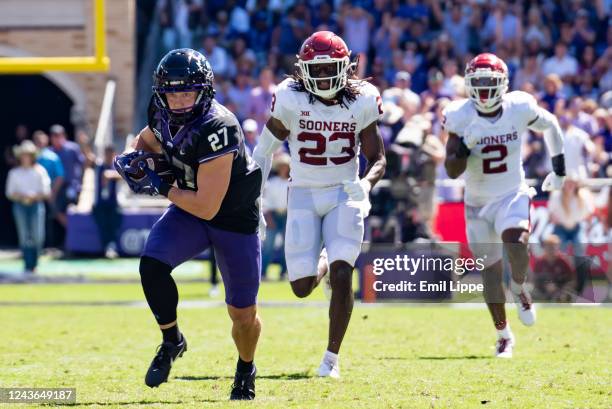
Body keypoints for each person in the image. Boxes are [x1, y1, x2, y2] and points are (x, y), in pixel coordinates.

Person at [114, 49, 262, 400]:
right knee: (152, 266)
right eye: (172, 92)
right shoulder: (160, 112)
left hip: (231, 216)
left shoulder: (218, 127)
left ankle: (245, 367)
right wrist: (138, 159)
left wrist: (160, 184)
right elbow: (148, 139)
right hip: (189, 207)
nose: (178, 100)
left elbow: (208, 206)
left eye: (187, 91)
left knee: (242, 314)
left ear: (205, 91)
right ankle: (171, 340)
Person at [253, 31, 386, 378]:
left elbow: (378, 158)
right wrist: (255, 199)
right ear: (303, 71)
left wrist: (365, 184)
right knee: (300, 287)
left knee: (345, 274)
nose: (325, 77)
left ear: (345, 68)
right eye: (319, 70)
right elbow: (263, 151)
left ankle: (331, 359)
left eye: (331, 69)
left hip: (344, 192)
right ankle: (324, 262)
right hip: (303, 194)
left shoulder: (363, 99)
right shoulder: (290, 98)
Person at [443, 53, 566, 358]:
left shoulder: (519, 106)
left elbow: (551, 126)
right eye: (479, 83)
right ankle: (503, 335)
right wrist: (464, 147)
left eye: (490, 83)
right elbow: (452, 171)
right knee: (489, 273)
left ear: (504, 84)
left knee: (517, 242)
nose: (484, 90)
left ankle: (521, 286)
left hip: (511, 192)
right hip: (476, 202)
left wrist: (559, 169)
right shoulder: (459, 115)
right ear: (468, 84)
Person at [6, 140, 51, 274]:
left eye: (28, 155)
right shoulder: (15, 173)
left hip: (36, 205)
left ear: (32, 156)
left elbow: (46, 191)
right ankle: (27, 264)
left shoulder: (40, 171)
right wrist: (21, 196)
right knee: (24, 236)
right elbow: (9, 192)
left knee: (37, 236)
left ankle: (34, 263)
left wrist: (33, 196)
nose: (26, 157)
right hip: (20, 206)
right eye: (23, 155)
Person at [547, 174, 594, 296]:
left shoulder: (583, 196)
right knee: (558, 253)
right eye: (567, 183)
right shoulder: (556, 196)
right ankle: (557, 286)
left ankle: (580, 287)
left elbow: (589, 214)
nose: (570, 186)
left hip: (576, 228)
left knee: (580, 249)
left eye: (572, 183)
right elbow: (551, 214)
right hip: (561, 228)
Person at [32, 130, 65, 248]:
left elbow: (60, 176)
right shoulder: (31, 157)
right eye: (37, 141)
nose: (39, 143)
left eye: (41, 141)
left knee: (54, 218)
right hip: (34, 195)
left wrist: (52, 192)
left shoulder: (52, 157)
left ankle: (53, 245)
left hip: (50, 193)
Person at [49, 124, 85, 232]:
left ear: (64, 135)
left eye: (59, 135)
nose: (57, 138)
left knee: (71, 211)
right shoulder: (49, 152)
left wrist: (81, 181)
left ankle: (73, 235)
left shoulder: (73, 148)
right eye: (54, 135)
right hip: (56, 188)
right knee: (56, 211)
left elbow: (83, 163)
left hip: (71, 186)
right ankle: (73, 232)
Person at [261, 153, 290, 280]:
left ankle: (284, 272)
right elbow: (265, 202)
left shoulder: (292, 183)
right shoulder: (271, 183)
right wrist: (268, 217)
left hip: (287, 215)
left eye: (286, 166)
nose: (283, 169)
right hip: (272, 214)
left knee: (287, 246)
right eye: (281, 166)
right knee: (268, 246)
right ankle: (262, 272)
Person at [92, 145, 122, 259]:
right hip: (100, 204)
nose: (109, 157)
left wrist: (110, 175)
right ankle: (106, 248)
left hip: (113, 203)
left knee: (113, 226)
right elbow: (89, 159)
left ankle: (112, 247)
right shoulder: (99, 167)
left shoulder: (116, 167)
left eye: (111, 154)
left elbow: (122, 176)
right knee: (103, 226)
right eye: (107, 154)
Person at [532, 235, 575, 302]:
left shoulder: (563, 261)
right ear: (544, 248)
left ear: (557, 247)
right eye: (548, 247)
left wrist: (558, 288)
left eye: (552, 247)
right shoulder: (540, 262)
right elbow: (535, 280)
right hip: (543, 291)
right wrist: (545, 286)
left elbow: (571, 280)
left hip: (560, 290)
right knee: (532, 293)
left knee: (568, 295)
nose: (550, 250)